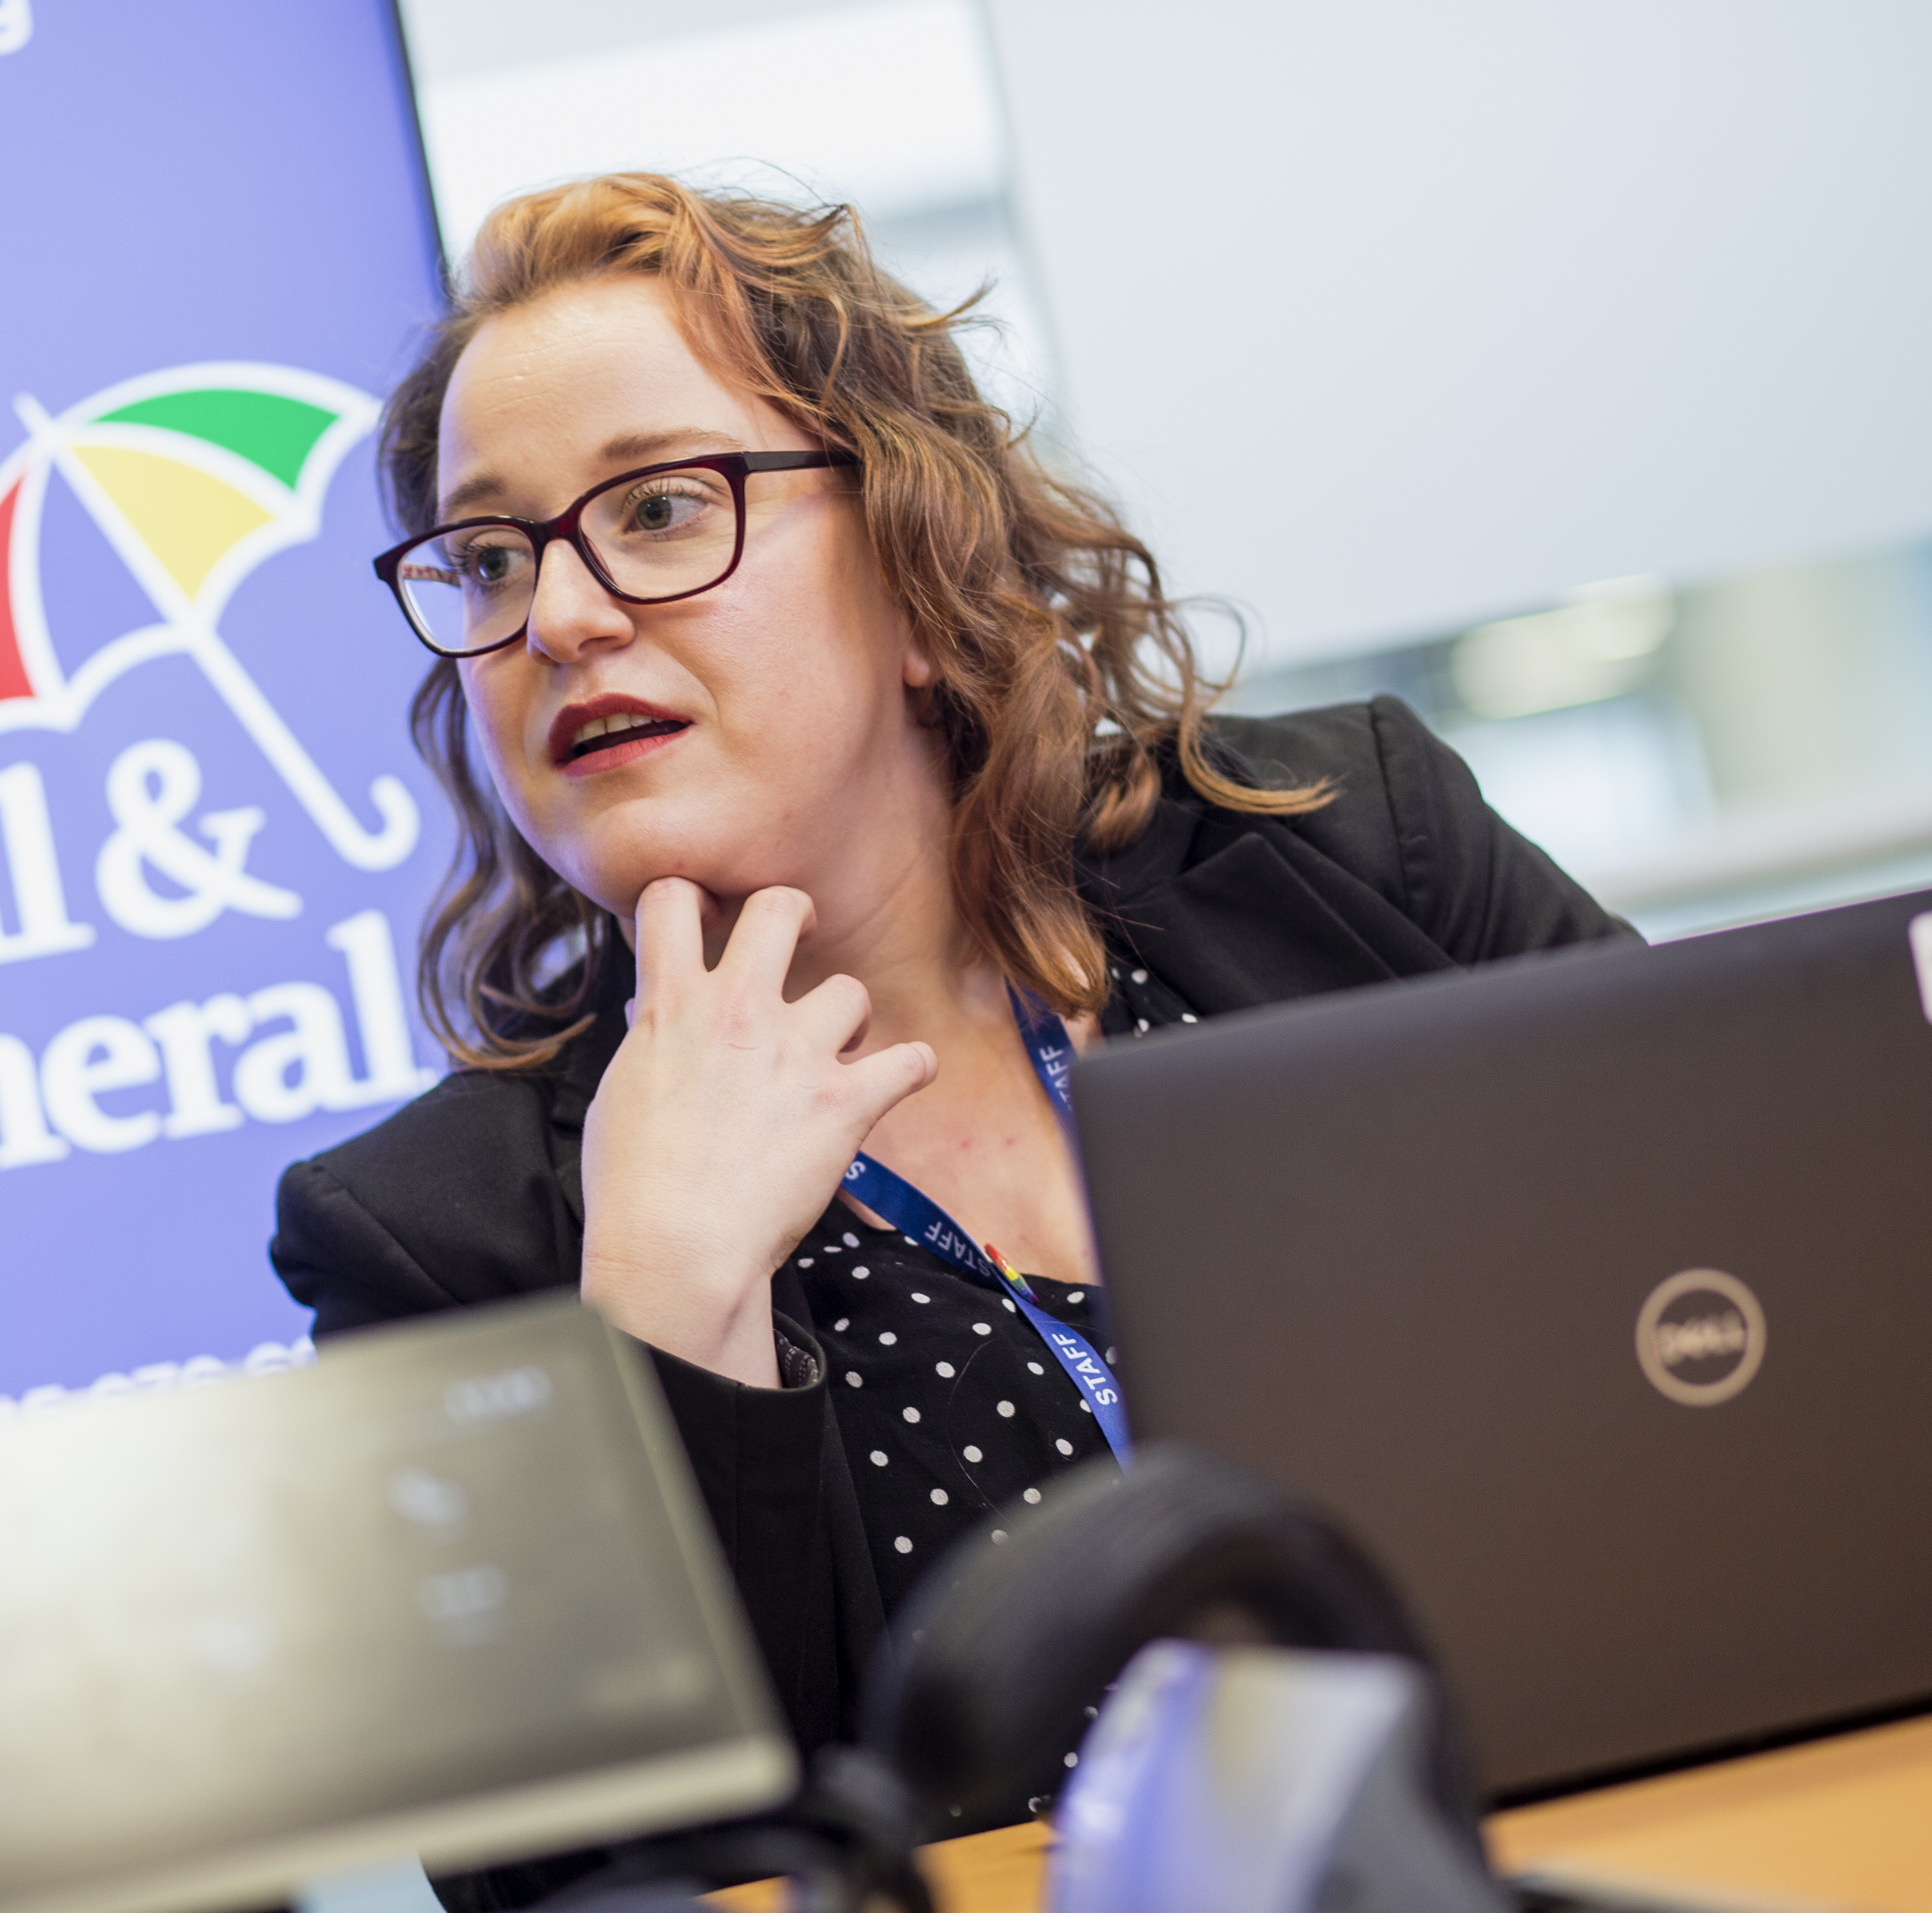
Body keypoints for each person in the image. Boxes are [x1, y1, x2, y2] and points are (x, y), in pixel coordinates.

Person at [270, 173, 1632, 1881]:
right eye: (487, 557)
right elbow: (599, 1887)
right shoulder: (442, 1244)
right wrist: (663, 1321)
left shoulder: (1362, 853)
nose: (559, 619)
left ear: (921, 565)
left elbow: (1763, 1318)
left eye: (665, 509)